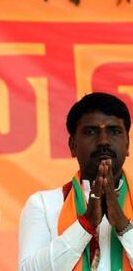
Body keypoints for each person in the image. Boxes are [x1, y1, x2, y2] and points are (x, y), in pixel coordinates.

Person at [19, 92, 133, 270]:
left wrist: (122, 223)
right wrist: (86, 224)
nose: (103, 141)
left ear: (127, 145)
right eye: (91, 131)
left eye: (114, 131)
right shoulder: (43, 204)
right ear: (72, 146)